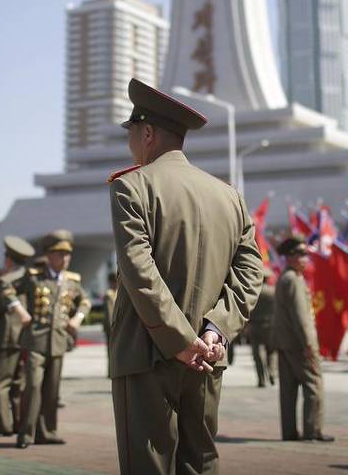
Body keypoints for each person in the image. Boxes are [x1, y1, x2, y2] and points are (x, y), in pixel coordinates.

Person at [107, 78, 264, 474]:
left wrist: (179, 340)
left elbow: (139, 271)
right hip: (209, 358)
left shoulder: (132, 187)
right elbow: (250, 271)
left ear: (147, 133)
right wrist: (215, 330)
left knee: (149, 466)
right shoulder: (229, 197)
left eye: (131, 134)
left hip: (147, 355)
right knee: (199, 463)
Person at [5, 231, 90, 448]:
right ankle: (26, 434)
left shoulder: (72, 281)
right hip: (35, 341)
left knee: (52, 390)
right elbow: (7, 289)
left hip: (58, 342)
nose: (66, 259)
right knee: (32, 387)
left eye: (68, 254)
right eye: (61, 254)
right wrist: (21, 312)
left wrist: (77, 319)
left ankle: (47, 432)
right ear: (50, 255)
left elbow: (85, 301)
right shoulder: (34, 276)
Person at [272, 236, 332, 442]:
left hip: (285, 343)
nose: (305, 258)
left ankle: (289, 432)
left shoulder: (284, 278)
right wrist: (308, 343)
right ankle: (312, 429)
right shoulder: (294, 280)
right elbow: (301, 316)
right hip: (299, 344)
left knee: (288, 391)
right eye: (301, 254)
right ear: (290, 257)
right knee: (313, 384)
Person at [0, 236, 32, 436]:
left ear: (9, 260)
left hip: (5, 337)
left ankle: (1, 426)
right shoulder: (31, 278)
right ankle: (18, 424)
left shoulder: (4, 280)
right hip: (25, 337)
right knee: (19, 384)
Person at [247, 269, 277, 387]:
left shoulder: (254, 291)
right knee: (272, 351)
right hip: (271, 326)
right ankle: (272, 373)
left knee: (257, 354)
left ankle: (261, 379)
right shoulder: (273, 292)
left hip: (255, 326)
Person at [103, 271, 118, 379]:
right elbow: (109, 313)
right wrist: (112, 328)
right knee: (111, 349)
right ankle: (111, 371)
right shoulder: (109, 294)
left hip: (115, 326)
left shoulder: (117, 292)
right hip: (111, 327)